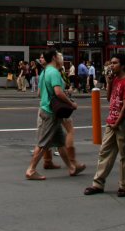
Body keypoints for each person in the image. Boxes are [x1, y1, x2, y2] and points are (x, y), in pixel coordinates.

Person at [25, 47, 84, 180]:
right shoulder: (54, 72)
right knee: (42, 143)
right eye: (57, 56)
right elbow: (58, 92)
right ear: (53, 58)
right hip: (51, 111)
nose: (60, 58)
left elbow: (40, 93)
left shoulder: (45, 72)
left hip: (48, 109)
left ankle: (72, 167)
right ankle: (31, 169)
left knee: (60, 141)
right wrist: (71, 103)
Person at [84, 53, 125, 197]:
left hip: (122, 123)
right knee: (104, 152)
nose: (111, 65)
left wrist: (117, 122)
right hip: (111, 121)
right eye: (111, 63)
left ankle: (124, 185)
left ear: (123, 65)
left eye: (115, 63)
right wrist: (109, 82)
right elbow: (108, 98)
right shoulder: (116, 80)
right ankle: (98, 183)